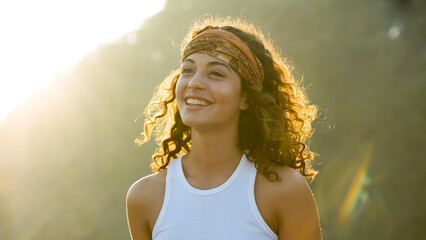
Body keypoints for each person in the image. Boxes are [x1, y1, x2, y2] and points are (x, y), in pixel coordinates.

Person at [126, 16, 322, 240]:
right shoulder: (145, 197)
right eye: (188, 70)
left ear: (246, 98)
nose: (194, 83)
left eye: (216, 73)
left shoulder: (284, 190)